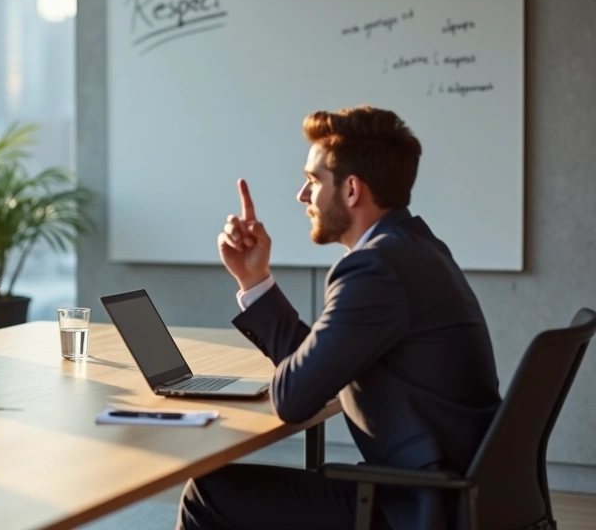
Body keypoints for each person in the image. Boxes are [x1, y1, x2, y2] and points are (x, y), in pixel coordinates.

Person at [180, 106, 502, 530]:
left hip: (420, 507)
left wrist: (295, 374)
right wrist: (255, 280)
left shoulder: (375, 268)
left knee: (208, 493)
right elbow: (314, 373)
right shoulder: (417, 247)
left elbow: (294, 399)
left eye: (313, 181)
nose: (302, 195)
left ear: (351, 190)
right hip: (461, 494)